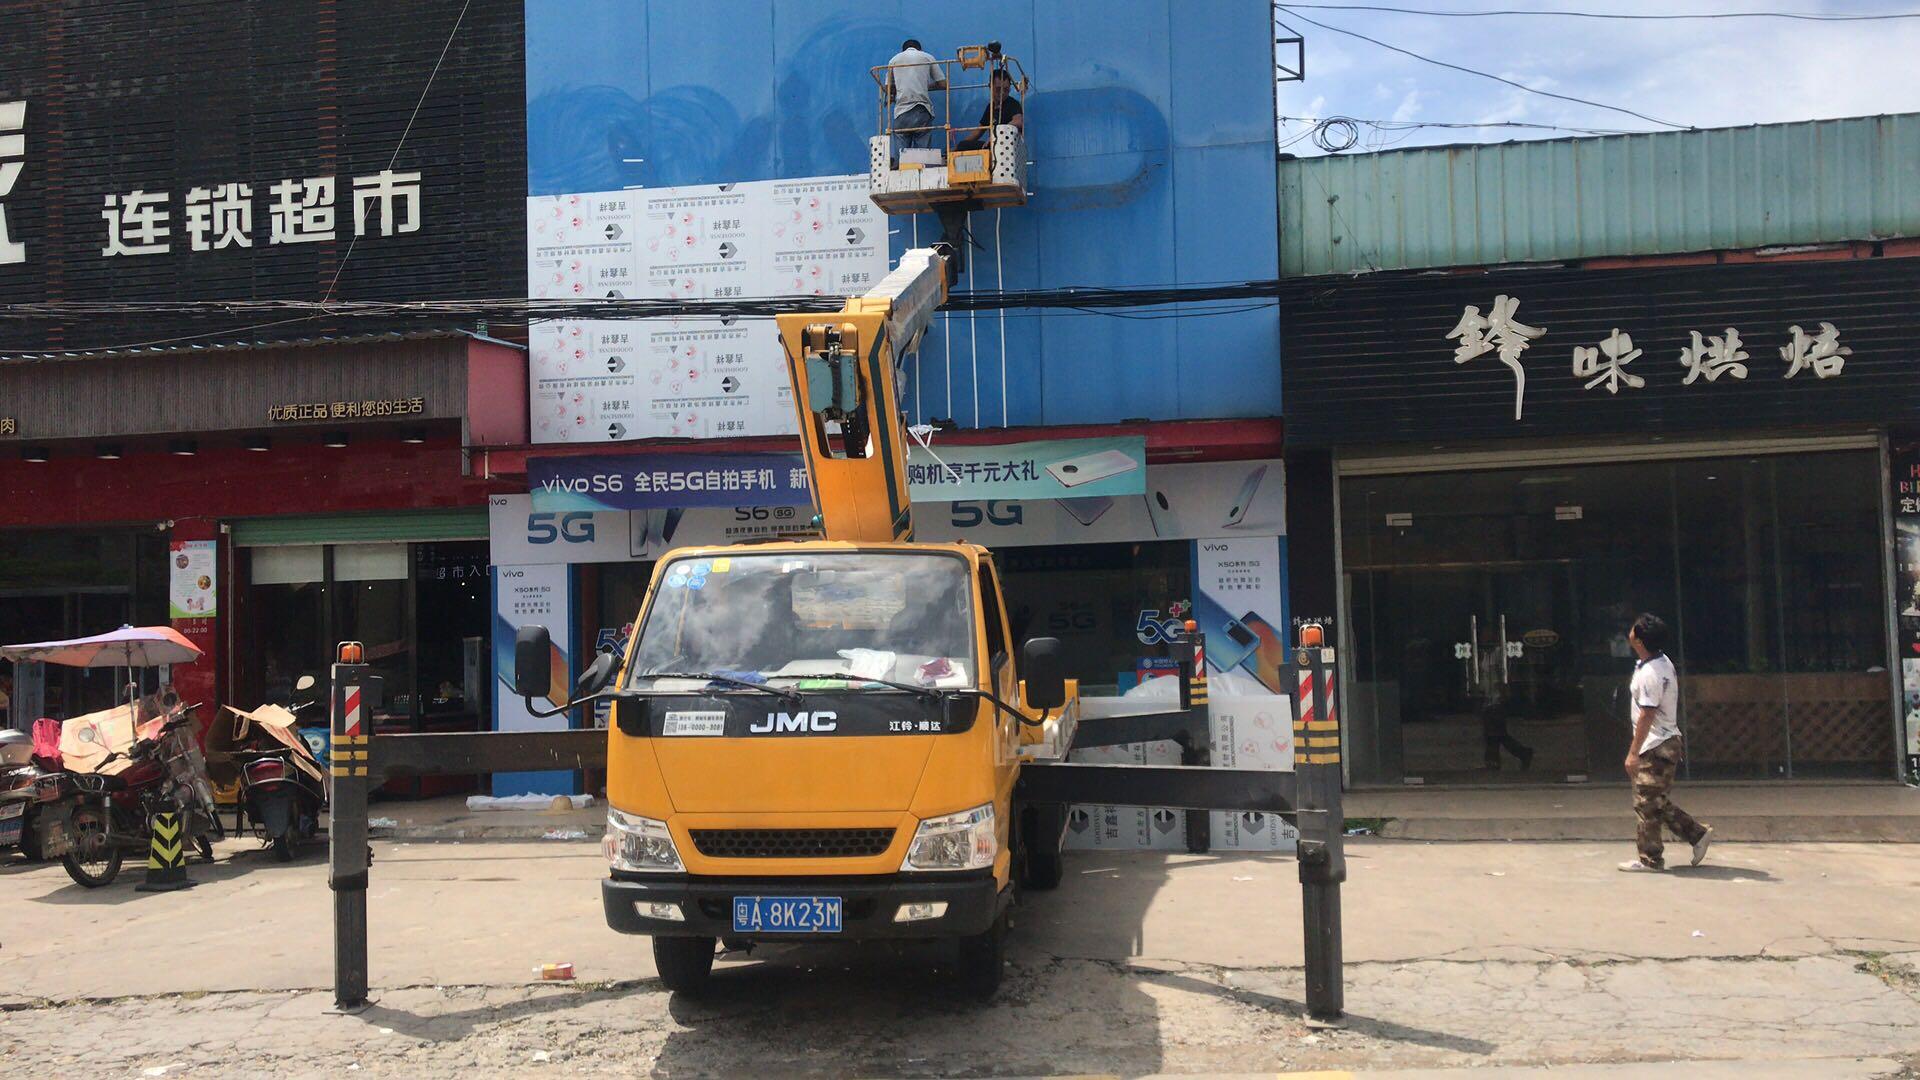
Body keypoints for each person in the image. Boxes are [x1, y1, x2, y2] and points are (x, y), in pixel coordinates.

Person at [1619, 613, 1712, 872]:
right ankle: (1696, 834)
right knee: (1655, 800)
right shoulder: (1656, 662)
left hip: (1656, 744)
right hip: (1661, 742)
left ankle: (1650, 858)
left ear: (1639, 639)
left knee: (1647, 804)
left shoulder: (1651, 672)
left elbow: (1647, 714)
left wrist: (1633, 753)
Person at [886, 38, 945, 157]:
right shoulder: (927, 57)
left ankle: (900, 165)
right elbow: (943, 84)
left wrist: (894, 93)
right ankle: (922, 164)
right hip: (922, 109)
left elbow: (888, 87)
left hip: (902, 111)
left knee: (902, 153)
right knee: (922, 155)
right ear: (920, 49)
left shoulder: (894, 60)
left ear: (903, 50)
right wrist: (924, 86)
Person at [954, 68, 1023, 151]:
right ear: (990, 86)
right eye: (998, 89)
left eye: (1006, 90)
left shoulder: (1013, 104)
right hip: (993, 145)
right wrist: (958, 147)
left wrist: (996, 134)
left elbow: (1018, 121)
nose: (1002, 93)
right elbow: (979, 131)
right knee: (963, 145)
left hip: (1008, 147)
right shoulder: (990, 107)